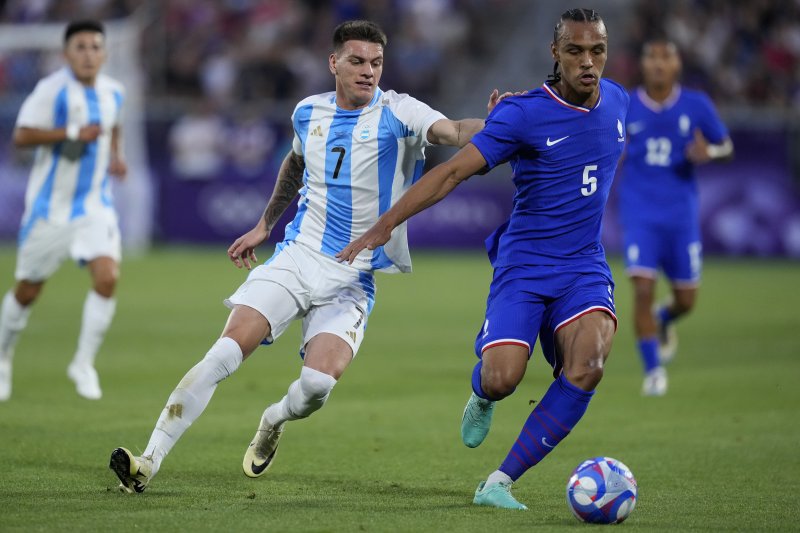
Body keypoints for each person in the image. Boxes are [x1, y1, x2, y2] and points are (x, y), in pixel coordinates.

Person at [109, 19, 497, 494]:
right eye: (357, 61)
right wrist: (264, 224)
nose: (368, 71)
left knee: (316, 388)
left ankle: (273, 419)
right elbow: (295, 163)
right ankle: (147, 461)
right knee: (223, 353)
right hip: (297, 256)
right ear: (333, 62)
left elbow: (455, 130)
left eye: (376, 63)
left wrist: (497, 123)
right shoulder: (308, 112)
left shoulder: (399, 111)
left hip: (353, 277)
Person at [339, 9, 628, 510]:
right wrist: (385, 225)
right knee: (502, 379)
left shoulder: (620, 102)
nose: (588, 61)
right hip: (526, 264)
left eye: (597, 50)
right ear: (555, 54)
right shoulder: (524, 114)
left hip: (583, 266)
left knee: (590, 363)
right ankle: (483, 394)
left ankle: (499, 481)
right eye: (576, 50)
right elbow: (450, 175)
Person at [0, 20, 127, 402]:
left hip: (94, 207)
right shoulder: (51, 90)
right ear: (66, 54)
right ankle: (3, 358)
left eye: (94, 47)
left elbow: (114, 125)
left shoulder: (114, 92)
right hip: (49, 211)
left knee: (106, 278)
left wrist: (116, 158)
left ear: (104, 54)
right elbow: (21, 135)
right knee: (28, 290)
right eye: (81, 47)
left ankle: (83, 363)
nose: (88, 54)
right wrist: (71, 133)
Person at [618, 38, 733, 396]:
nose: (657, 64)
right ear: (643, 64)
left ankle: (664, 319)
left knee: (686, 300)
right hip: (640, 214)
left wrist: (709, 151)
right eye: (651, 57)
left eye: (664, 58)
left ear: (676, 64)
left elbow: (726, 146)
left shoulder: (697, 105)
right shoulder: (626, 105)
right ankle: (653, 373)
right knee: (642, 288)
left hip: (681, 215)